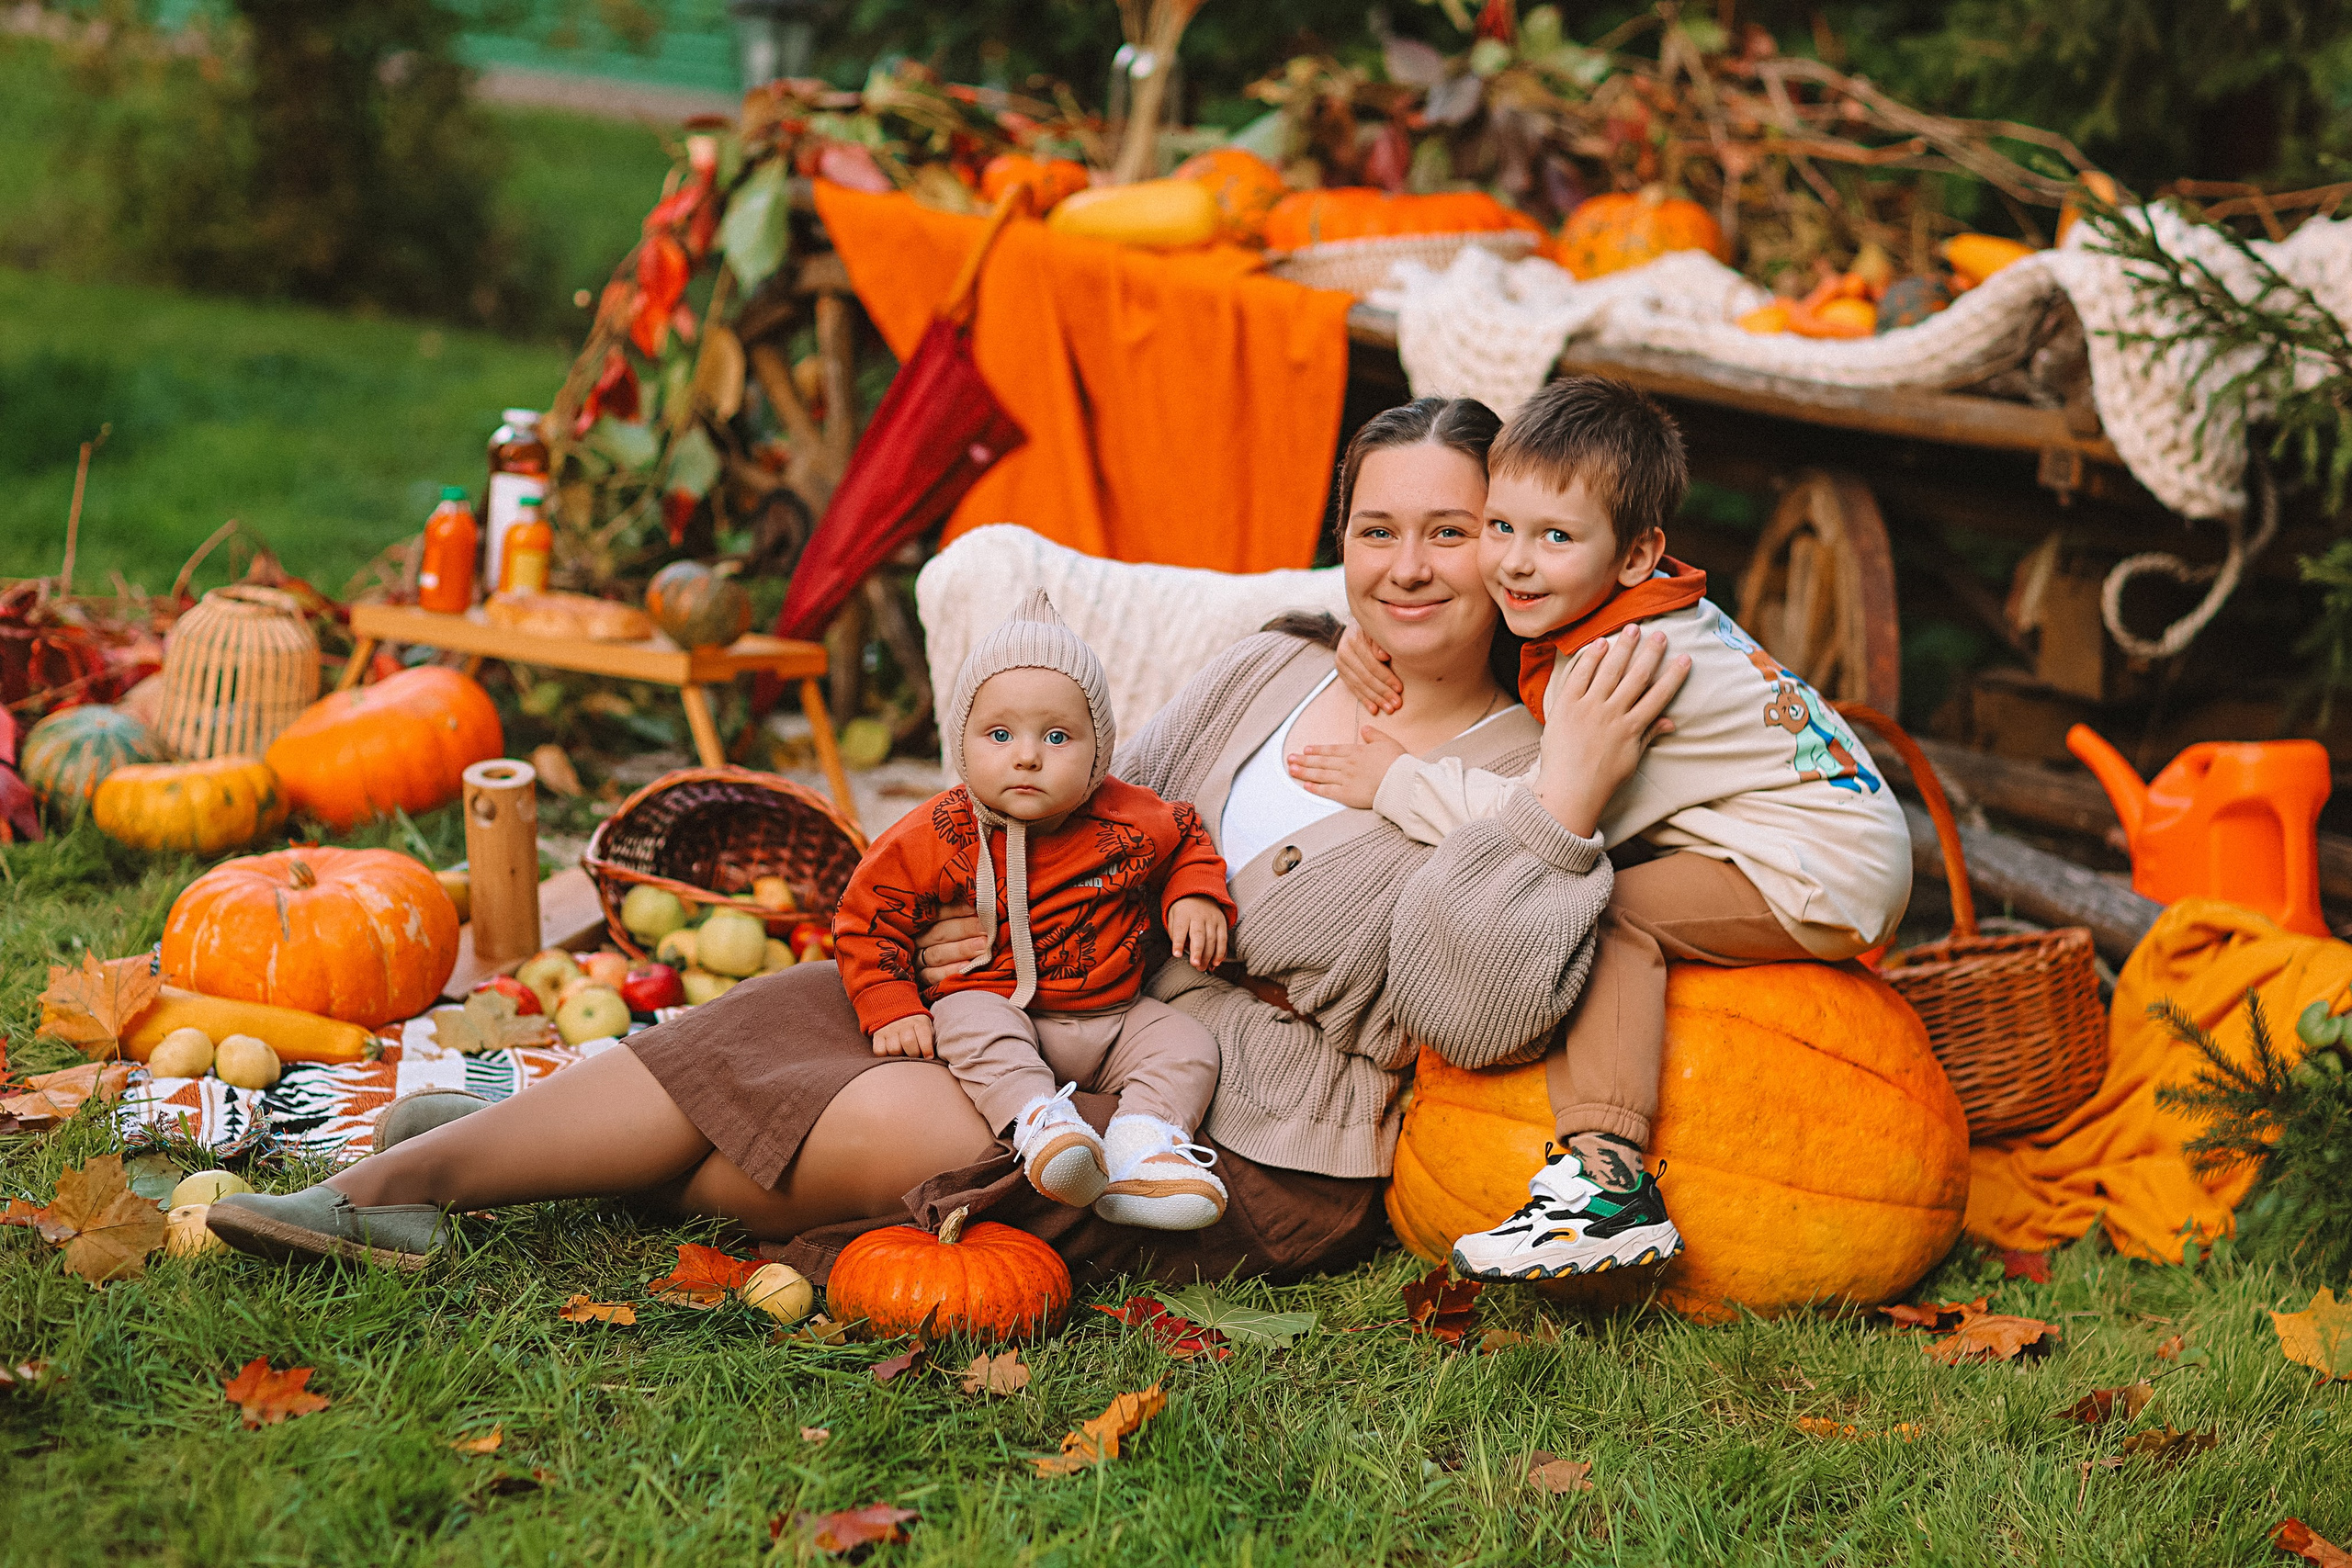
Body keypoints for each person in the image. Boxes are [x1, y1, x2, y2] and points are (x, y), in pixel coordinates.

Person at [204, 395, 1680, 1291]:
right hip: (1067, 1008)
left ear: (1511, 545)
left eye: (1451, 531)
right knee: (815, 1008)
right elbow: (1104, 808)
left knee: (928, 1128)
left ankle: (492, 1159)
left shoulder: (1532, 762)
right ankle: (400, 1195)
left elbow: (1473, 1001)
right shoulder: (1275, 659)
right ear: (1341, 541)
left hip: (1257, 1131)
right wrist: (975, 909)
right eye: (1376, 530)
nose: (1408, 569)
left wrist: (1548, 809)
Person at [1291, 375, 1911, 1285]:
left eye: (1554, 538)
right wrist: (1364, 629)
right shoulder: (1636, 610)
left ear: (1635, 553)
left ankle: (1607, 1183)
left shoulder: (1624, 670)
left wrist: (1397, 781)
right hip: (1820, 845)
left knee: (1607, 913)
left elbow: (1534, 825)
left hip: (1818, 869)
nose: (1514, 563)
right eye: (1500, 527)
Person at [835, 590, 1238, 1230]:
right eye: (999, 734)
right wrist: (890, 1001)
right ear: (963, 743)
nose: (1027, 755)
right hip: (996, 1002)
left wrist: (1193, 893)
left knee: (1186, 1042)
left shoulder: (1126, 816)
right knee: (966, 1019)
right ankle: (1043, 1128)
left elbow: (1185, 833)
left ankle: (1144, 1150)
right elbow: (867, 911)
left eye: (1057, 736)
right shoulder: (938, 830)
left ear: (1098, 751)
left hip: (1113, 1015)